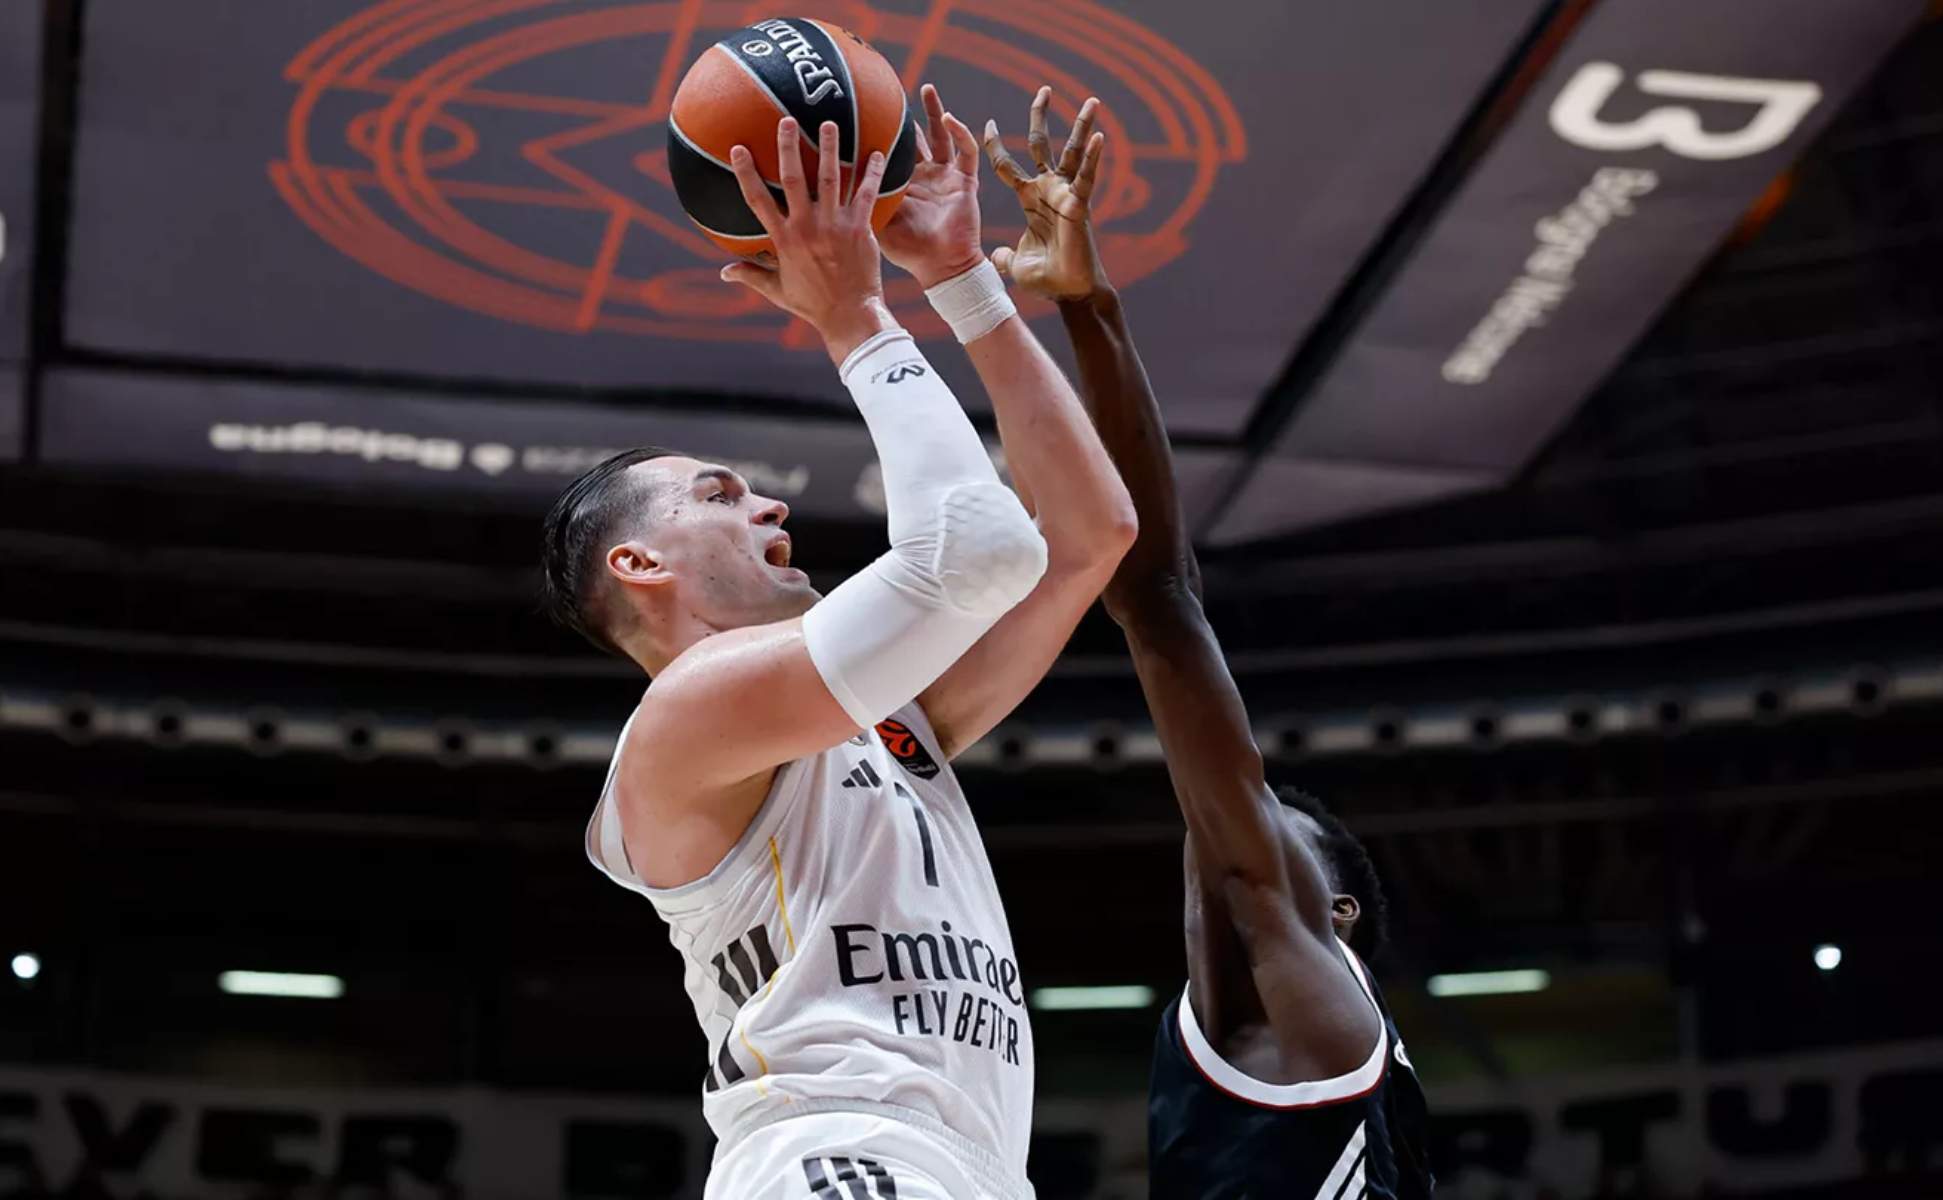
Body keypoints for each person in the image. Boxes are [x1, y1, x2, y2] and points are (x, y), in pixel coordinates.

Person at [538, 89, 1135, 1200]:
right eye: (718, 497)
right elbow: (974, 554)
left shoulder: (888, 720)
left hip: (972, 1169)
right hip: (834, 1154)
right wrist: (852, 315)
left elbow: (1089, 538)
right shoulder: (683, 721)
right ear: (637, 567)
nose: (769, 507)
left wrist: (962, 279)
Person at [982, 91, 1434, 1198]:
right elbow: (1159, 600)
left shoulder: (1314, 1019)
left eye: (1273, 817)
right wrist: (1085, 308)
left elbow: (1162, 598)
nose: (1234, 805)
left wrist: (1092, 310)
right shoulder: (1320, 1069)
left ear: (1337, 917)